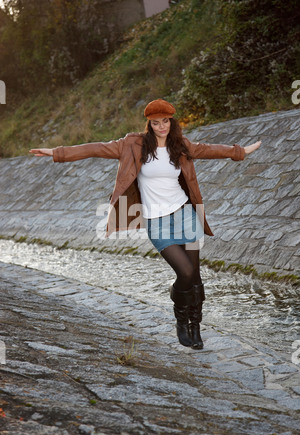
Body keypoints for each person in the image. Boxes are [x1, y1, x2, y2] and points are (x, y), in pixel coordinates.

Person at [30, 98, 261, 350]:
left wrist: (239, 152)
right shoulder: (133, 145)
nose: (161, 127)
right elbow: (96, 148)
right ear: (148, 124)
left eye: (165, 121)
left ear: (171, 121)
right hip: (157, 219)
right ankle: (180, 316)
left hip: (185, 213)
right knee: (184, 273)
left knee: (194, 275)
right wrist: (57, 153)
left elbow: (208, 149)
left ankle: (195, 326)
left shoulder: (180, 145)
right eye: (155, 123)